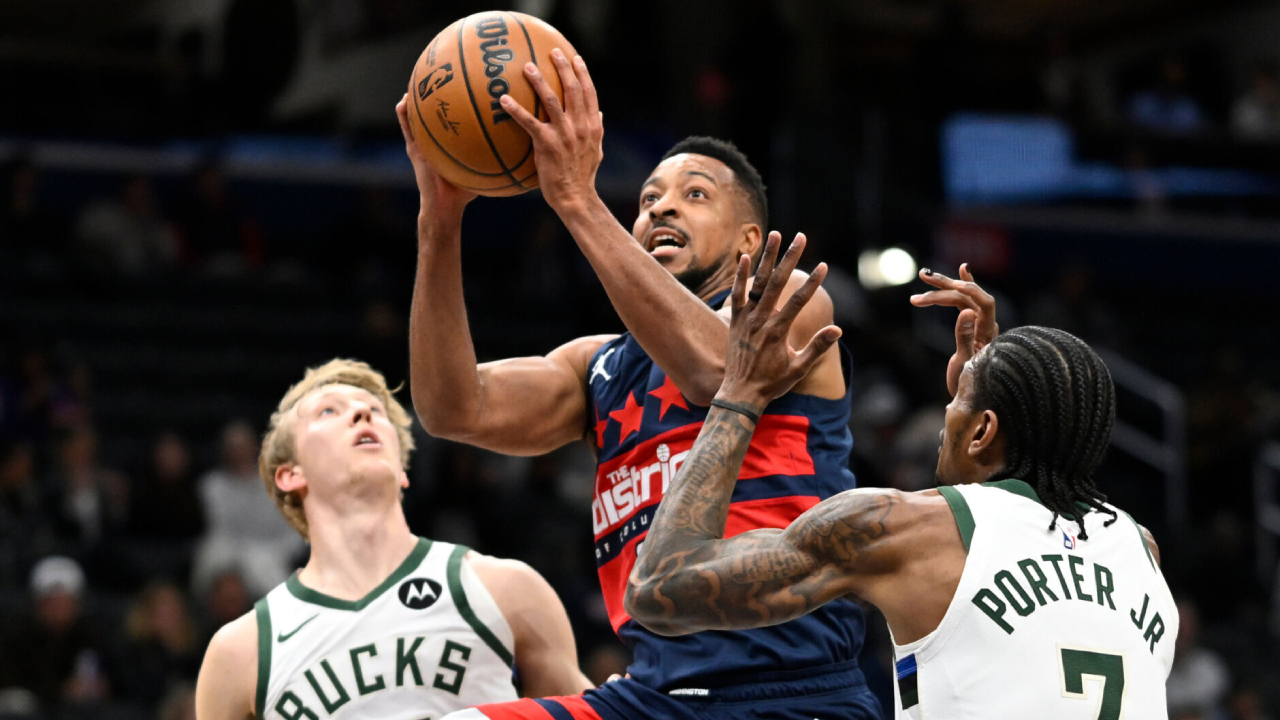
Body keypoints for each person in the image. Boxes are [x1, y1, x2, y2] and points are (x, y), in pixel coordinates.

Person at [400, 47, 878, 720]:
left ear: (748, 241)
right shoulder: (596, 366)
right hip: (654, 696)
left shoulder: (790, 295)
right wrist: (439, 222)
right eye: (648, 198)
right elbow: (452, 407)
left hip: (795, 688)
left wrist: (573, 197)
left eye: (694, 195)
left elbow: (719, 372)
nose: (660, 208)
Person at [626, 249, 1178, 719]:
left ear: (984, 431)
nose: (944, 416)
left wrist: (740, 393)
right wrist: (998, 387)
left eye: (958, 402)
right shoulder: (1141, 549)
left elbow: (656, 589)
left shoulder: (901, 529)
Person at [195, 359, 591, 720]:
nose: (362, 412)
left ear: (401, 470)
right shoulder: (241, 652)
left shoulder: (506, 588)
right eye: (329, 411)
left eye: (375, 411)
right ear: (290, 474)